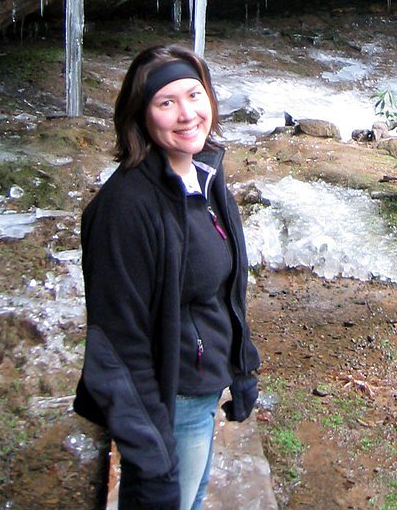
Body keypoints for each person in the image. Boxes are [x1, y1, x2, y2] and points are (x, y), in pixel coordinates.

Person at [73, 45, 261, 510]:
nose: (186, 114)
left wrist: (241, 367)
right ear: (141, 116)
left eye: (194, 95)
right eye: (166, 102)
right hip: (169, 399)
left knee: (193, 496)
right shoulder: (125, 209)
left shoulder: (206, 175)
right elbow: (117, 343)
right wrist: (149, 451)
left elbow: (222, 292)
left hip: (200, 387)